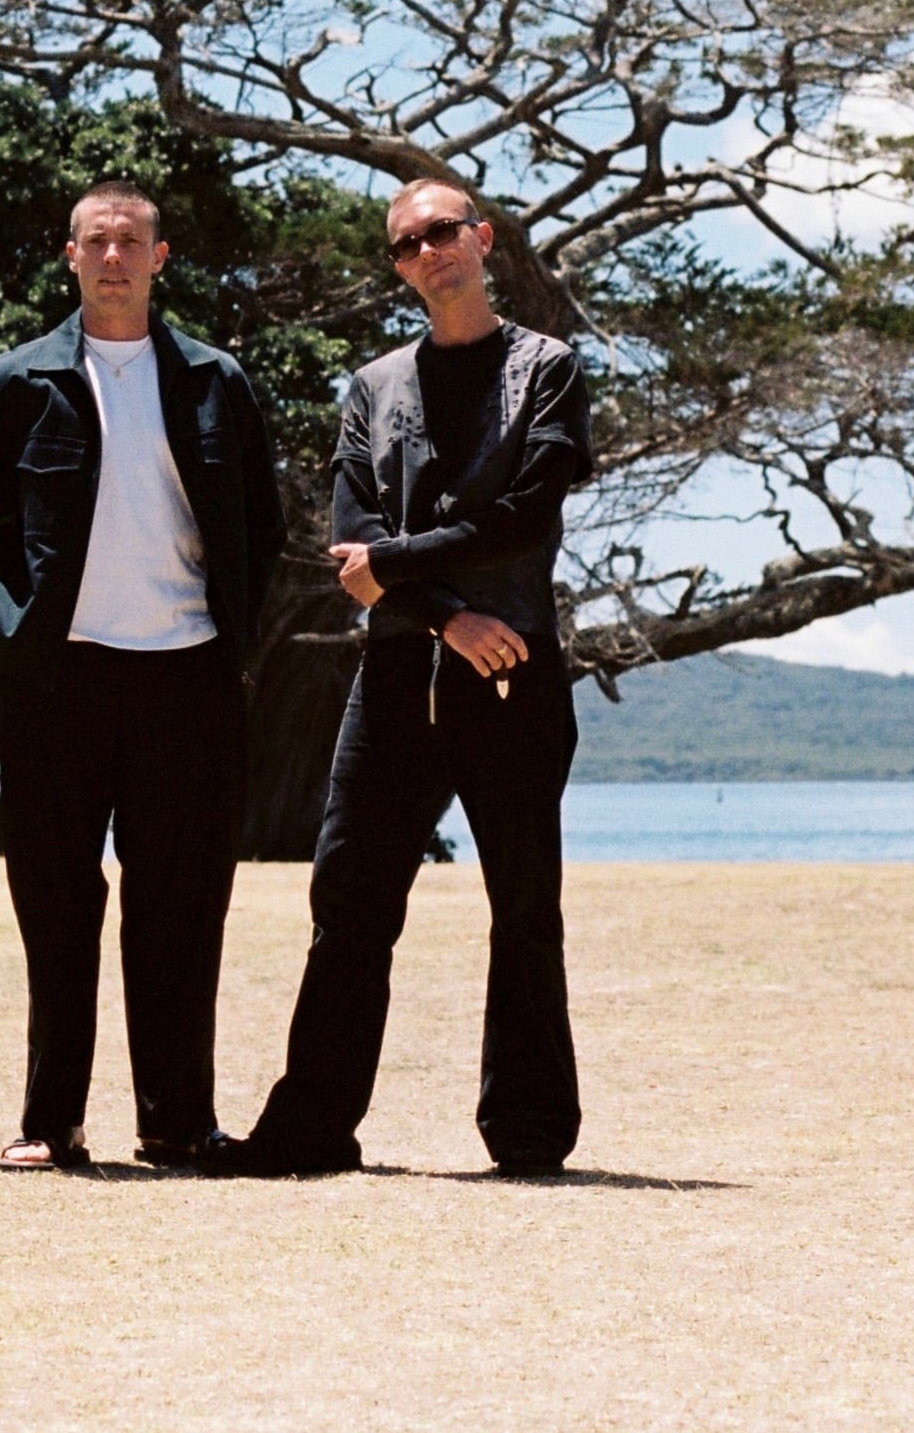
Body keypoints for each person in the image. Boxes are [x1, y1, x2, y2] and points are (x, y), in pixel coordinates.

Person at [219, 175, 594, 1178]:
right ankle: (309, 1131)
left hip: (513, 672)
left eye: (442, 231)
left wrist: (397, 566)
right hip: (397, 673)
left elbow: (525, 517)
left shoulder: (547, 369)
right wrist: (445, 615)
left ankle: (528, 1135)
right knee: (348, 901)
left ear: (482, 239)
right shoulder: (374, 387)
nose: (427, 251)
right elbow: (353, 549)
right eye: (405, 244)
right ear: (397, 268)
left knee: (524, 908)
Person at [0, 179, 283, 1173]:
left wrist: (231, 641)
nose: (114, 257)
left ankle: (177, 1121)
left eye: (131, 240)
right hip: (58, 680)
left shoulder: (215, 380)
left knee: (180, 910)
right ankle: (51, 1122)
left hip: (186, 676)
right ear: (70, 255)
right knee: (56, 906)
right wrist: (3, 639)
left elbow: (261, 528)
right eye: (96, 240)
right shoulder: (21, 380)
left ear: (160, 257)